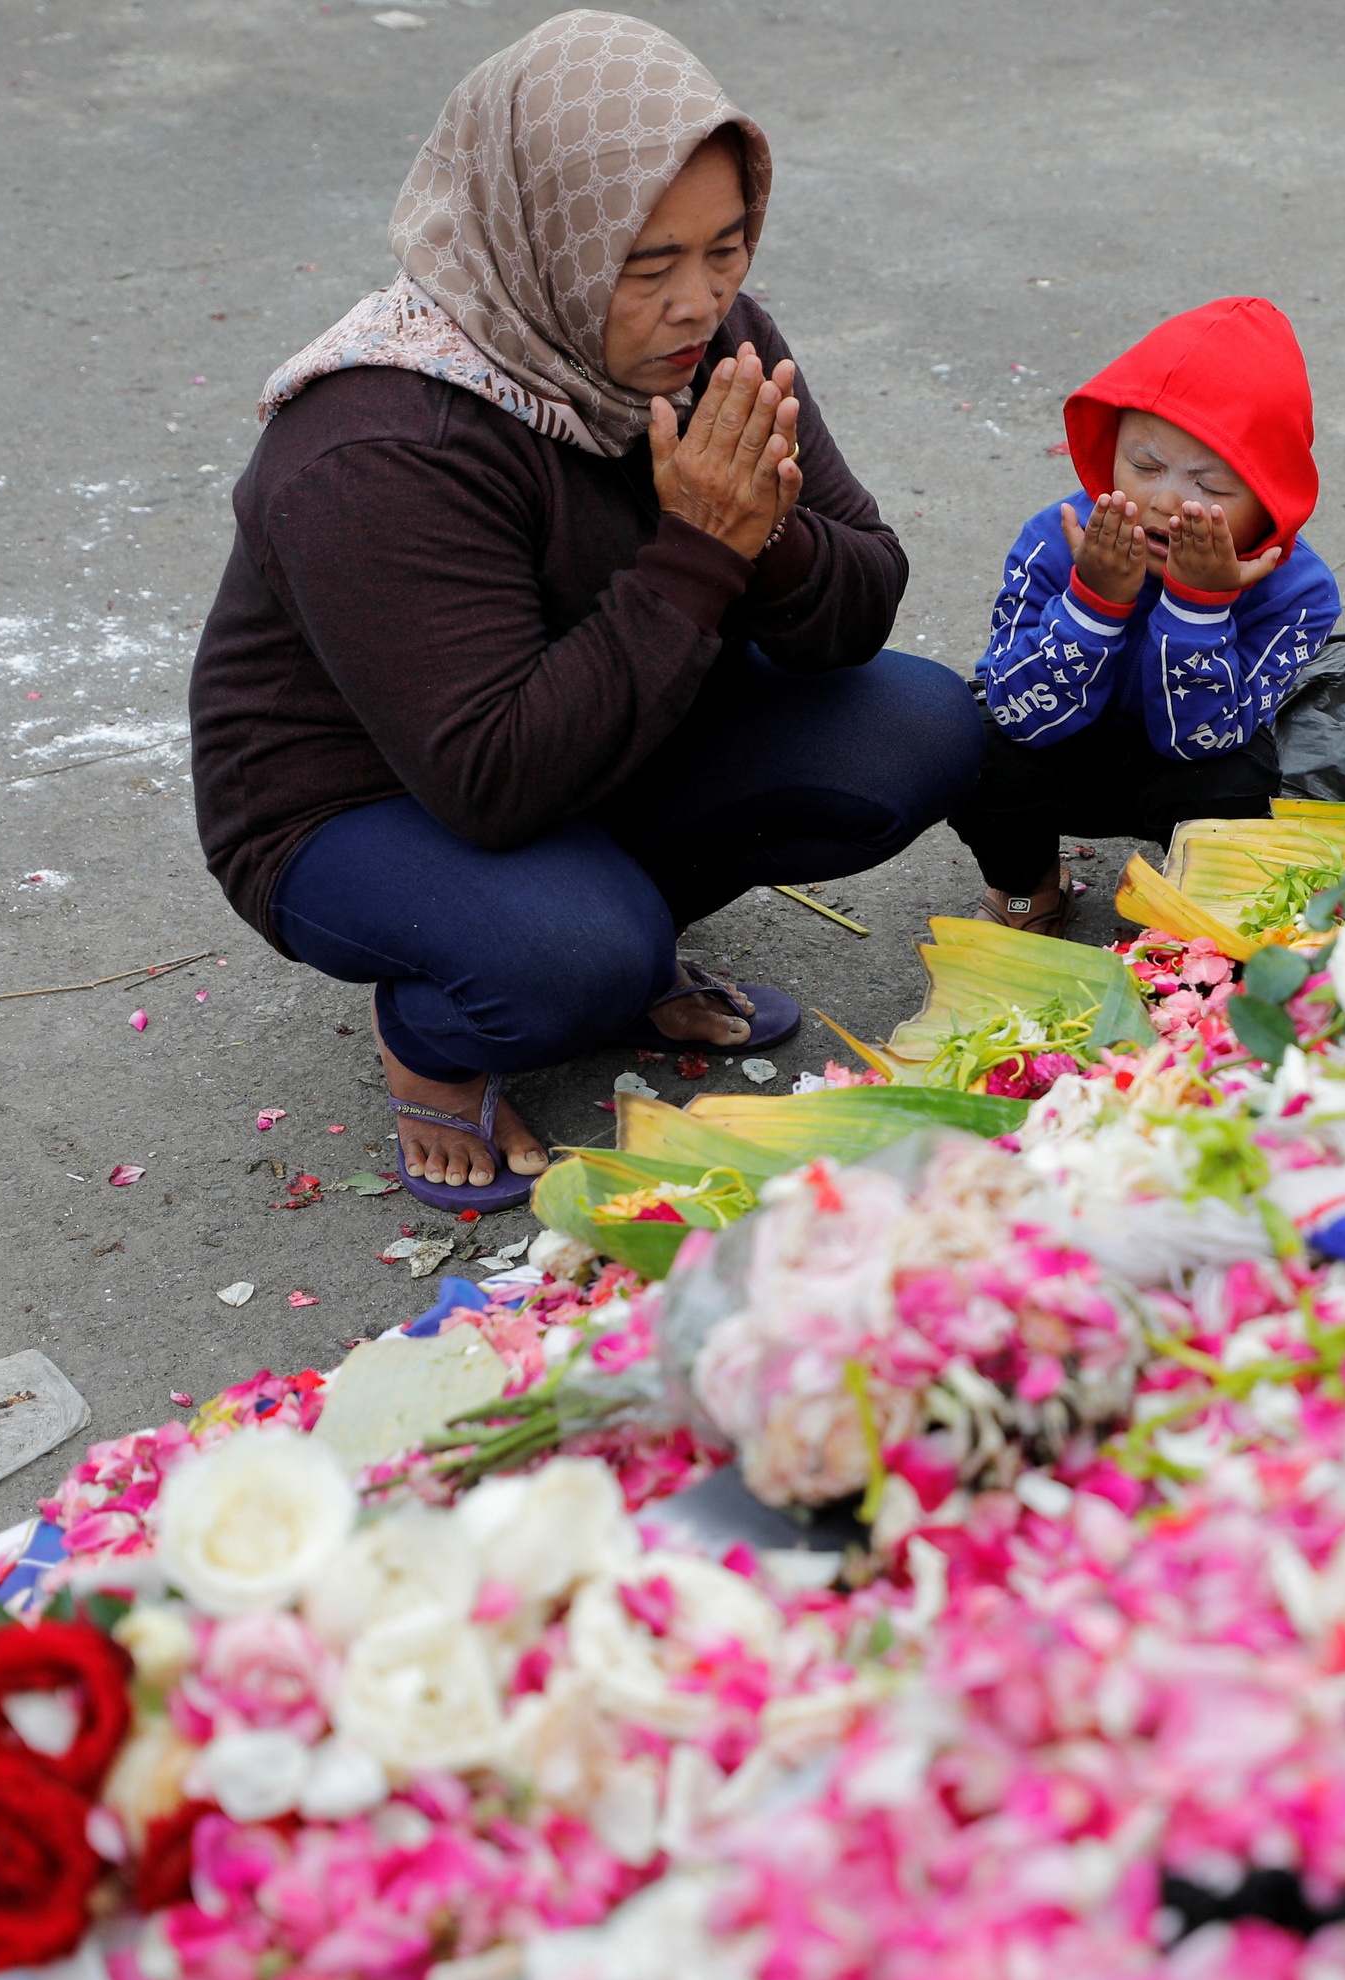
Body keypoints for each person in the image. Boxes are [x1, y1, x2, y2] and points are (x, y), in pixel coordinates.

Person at [187, 10, 983, 1211]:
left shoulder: (714, 345)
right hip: (359, 801)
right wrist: (700, 548)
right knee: (568, 955)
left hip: (598, 729)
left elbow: (857, 595)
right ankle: (437, 1033)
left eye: (726, 248)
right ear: (541, 236)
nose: (697, 302)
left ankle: (617, 939)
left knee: (913, 728)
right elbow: (489, 779)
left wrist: (762, 536)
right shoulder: (380, 440)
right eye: (645, 263)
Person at [951, 298, 1342, 931]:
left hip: (1186, 765)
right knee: (972, 747)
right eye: (1143, 465)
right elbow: (1017, 714)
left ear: (1272, 495)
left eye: (1210, 487)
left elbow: (1205, 740)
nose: (1164, 500)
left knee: (1235, 785)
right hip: (1059, 744)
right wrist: (1094, 602)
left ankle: (1191, 899)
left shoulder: (1297, 591)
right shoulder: (1057, 539)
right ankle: (1029, 889)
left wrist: (1198, 607)